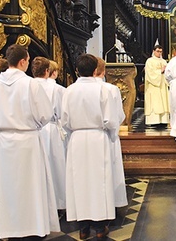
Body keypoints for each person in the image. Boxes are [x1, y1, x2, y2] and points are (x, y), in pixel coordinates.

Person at [0, 44, 59, 239]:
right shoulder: (31, 84)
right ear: (22, 61)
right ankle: (33, 225)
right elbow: (44, 114)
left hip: (4, 140)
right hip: (28, 140)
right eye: (27, 61)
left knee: (9, 186)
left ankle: (11, 227)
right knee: (31, 186)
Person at [62, 54, 123, 240]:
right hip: (98, 137)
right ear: (96, 69)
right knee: (99, 182)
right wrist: (111, 134)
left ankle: (83, 226)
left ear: (78, 70)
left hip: (77, 138)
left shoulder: (69, 91)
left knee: (79, 181)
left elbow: (64, 120)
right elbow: (113, 120)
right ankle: (99, 226)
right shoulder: (105, 89)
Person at [32, 57, 67, 212]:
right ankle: (59, 201)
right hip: (51, 128)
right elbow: (62, 112)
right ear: (48, 71)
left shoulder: (29, 86)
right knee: (55, 165)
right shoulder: (56, 89)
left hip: (34, 129)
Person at [94, 57, 128, 209]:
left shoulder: (71, 90)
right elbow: (119, 116)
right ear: (102, 71)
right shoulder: (111, 89)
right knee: (107, 173)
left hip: (79, 138)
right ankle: (108, 206)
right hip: (105, 135)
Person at [144, 45, 169, 128]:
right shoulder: (149, 61)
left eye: (161, 51)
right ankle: (154, 120)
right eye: (158, 51)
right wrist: (160, 71)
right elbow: (150, 74)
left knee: (163, 101)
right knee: (155, 102)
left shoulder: (164, 61)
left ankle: (163, 120)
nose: (159, 53)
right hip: (153, 86)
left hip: (162, 85)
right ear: (154, 51)